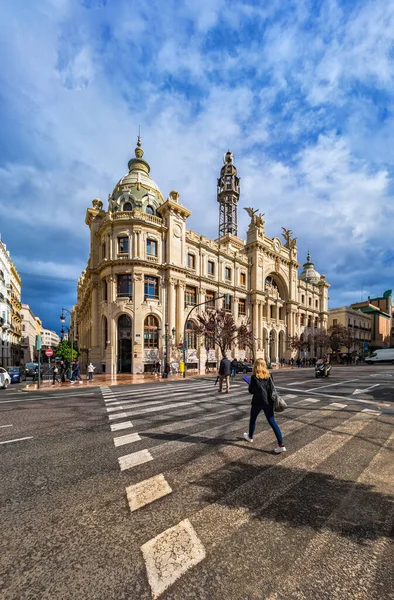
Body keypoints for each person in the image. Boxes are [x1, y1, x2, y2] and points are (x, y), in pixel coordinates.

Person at [243, 358, 286, 453]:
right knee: (272, 422)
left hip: (257, 402)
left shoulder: (254, 377)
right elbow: (271, 388)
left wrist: (251, 384)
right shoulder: (269, 375)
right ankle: (281, 445)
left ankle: (250, 436)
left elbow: (251, 391)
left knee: (253, 419)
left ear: (256, 366)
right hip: (269, 402)